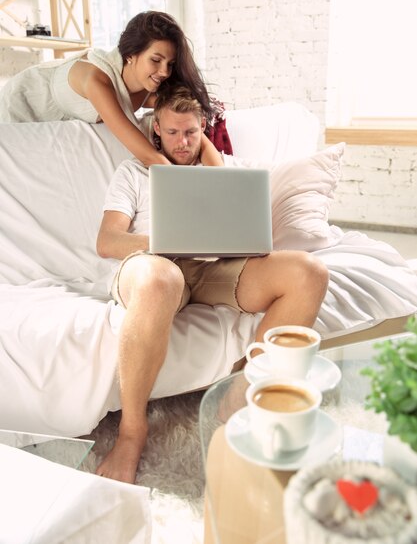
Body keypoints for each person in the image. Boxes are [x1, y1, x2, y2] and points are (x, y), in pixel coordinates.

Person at [95, 85, 329, 484]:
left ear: (203, 129)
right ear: (156, 132)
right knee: (161, 278)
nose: (182, 142)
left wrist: (215, 169)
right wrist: (165, 242)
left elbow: (251, 233)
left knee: (309, 273)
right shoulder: (133, 172)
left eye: (190, 132)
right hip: (154, 266)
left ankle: (236, 396)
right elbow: (108, 241)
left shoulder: (224, 171)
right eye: (172, 133)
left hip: (214, 267)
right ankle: (132, 433)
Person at [0, 10, 224, 167]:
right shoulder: (98, 82)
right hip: (27, 98)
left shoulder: (151, 82)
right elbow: (150, 157)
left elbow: (186, 121)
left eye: (170, 64)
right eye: (156, 60)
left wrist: (220, 178)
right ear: (130, 56)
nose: (164, 72)